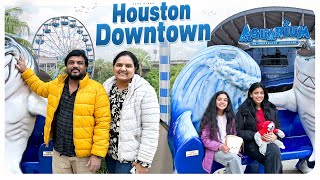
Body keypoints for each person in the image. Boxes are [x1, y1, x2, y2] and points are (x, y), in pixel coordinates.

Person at [15, 49, 111, 174]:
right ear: (66, 66)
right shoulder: (57, 84)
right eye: (71, 62)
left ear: (86, 66)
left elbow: (103, 124)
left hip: (84, 158)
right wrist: (25, 71)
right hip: (59, 153)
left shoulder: (97, 89)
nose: (75, 65)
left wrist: (97, 155)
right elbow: (40, 87)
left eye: (79, 63)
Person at [102, 50, 160, 174]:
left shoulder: (145, 91)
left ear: (135, 68)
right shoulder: (106, 88)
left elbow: (151, 129)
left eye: (128, 66)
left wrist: (143, 161)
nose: (123, 69)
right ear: (113, 67)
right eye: (119, 65)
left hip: (130, 159)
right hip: (109, 154)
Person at [236, 82, 283, 173]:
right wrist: (256, 135)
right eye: (256, 93)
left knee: (273, 154)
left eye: (261, 93)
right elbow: (238, 131)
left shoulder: (271, 109)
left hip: (270, 142)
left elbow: (278, 128)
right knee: (274, 153)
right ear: (250, 94)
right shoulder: (243, 111)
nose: (259, 95)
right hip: (251, 144)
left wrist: (275, 136)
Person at [199, 91, 243, 174]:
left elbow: (233, 135)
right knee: (234, 159)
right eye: (219, 99)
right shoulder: (208, 118)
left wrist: (236, 146)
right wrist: (220, 146)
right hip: (215, 151)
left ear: (228, 103)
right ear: (215, 101)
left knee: (234, 163)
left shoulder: (231, 118)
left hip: (229, 150)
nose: (222, 102)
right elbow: (205, 140)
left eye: (225, 100)